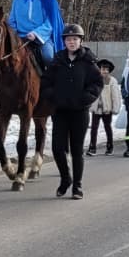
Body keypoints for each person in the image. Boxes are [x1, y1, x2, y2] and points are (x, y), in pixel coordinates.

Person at [41, 24, 102, 199]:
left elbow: (97, 83)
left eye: (75, 39)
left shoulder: (88, 61)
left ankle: (77, 186)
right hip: (60, 111)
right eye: (68, 39)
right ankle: (65, 178)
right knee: (57, 149)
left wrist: (85, 98)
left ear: (80, 41)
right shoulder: (57, 60)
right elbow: (45, 82)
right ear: (64, 42)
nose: (72, 42)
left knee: (76, 150)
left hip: (79, 112)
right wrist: (53, 96)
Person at [9, 0, 66, 75]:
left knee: (48, 56)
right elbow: (12, 19)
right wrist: (13, 34)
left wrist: (36, 34)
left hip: (41, 38)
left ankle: (51, 82)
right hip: (19, 37)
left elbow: (51, 21)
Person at [87, 58, 122, 157]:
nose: (104, 71)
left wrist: (115, 108)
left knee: (107, 127)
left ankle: (110, 146)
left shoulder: (112, 81)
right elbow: (91, 93)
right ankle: (92, 147)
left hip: (107, 109)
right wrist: (89, 104)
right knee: (94, 128)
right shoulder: (94, 80)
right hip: (96, 108)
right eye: (102, 69)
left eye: (107, 69)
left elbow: (115, 96)